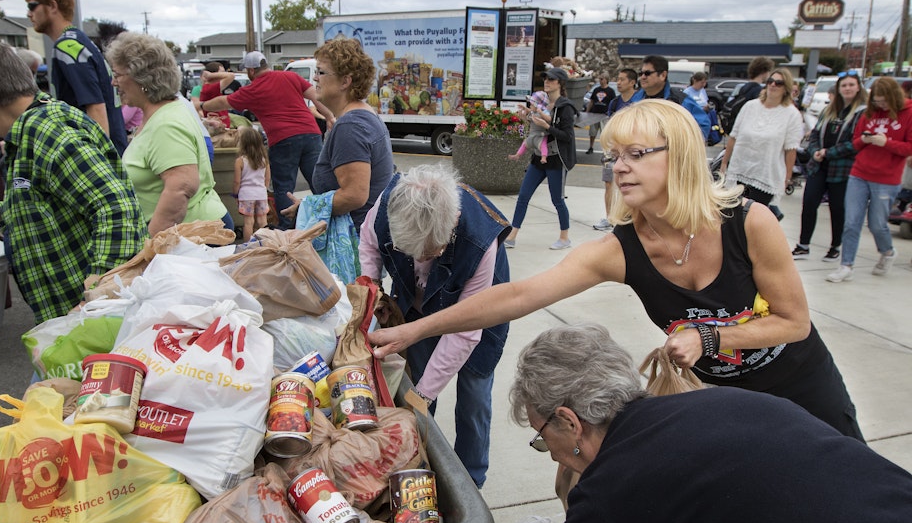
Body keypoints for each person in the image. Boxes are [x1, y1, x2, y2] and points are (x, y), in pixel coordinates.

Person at [370, 100, 864, 440]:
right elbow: (517, 296)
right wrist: (416, 330)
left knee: (847, 483)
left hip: (800, 382)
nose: (619, 167)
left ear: (683, 156)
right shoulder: (618, 249)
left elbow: (793, 323)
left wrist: (707, 339)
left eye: (636, 154)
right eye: (613, 157)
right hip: (721, 397)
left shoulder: (749, 223)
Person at [512, 322, 912, 523]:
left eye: (542, 436)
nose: (550, 451)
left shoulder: (611, 493)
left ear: (569, 421)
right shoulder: (742, 401)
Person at [0, 40, 147, 324]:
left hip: (90, 322)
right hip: (73, 318)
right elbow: (52, 198)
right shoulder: (33, 130)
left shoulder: (47, 130)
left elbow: (117, 208)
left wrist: (97, 293)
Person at [359, 166, 511, 488]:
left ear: (452, 224)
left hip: (478, 316)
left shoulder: (479, 241)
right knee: (419, 382)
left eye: (431, 252)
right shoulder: (386, 208)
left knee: (473, 396)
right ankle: (422, 464)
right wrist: (372, 289)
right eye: (411, 252)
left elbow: (466, 330)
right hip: (417, 309)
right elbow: (370, 244)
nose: (422, 261)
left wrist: (423, 395)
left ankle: (470, 484)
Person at [105, 32, 231, 236]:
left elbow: (180, 187)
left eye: (118, 75)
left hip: (191, 238)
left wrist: (149, 249)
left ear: (142, 78)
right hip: (192, 233)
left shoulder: (165, 123)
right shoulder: (164, 112)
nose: (114, 83)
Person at [201, 51, 335, 229]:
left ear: (250, 71)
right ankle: (328, 222)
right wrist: (329, 117)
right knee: (318, 180)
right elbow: (315, 96)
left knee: (284, 187)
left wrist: (202, 106)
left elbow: (224, 102)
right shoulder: (290, 76)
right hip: (311, 134)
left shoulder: (252, 90)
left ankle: (288, 230)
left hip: (283, 138)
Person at [282, 38, 393, 231]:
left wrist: (309, 207)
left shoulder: (351, 126)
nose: (315, 78)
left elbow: (354, 195)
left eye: (321, 72)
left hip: (352, 244)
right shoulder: (364, 116)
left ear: (345, 81)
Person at [24, 0, 127, 155]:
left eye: (32, 6)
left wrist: (101, 162)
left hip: (100, 158)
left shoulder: (67, 47)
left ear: (53, 6)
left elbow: (95, 107)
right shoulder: (80, 41)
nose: (28, 13)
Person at [827, 75, 912, 282]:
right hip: (859, 173)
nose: (880, 105)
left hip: (887, 178)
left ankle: (888, 251)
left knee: (877, 224)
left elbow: (909, 147)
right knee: (852, 221)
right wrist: (864, 139)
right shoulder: (869, 113)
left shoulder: (908, 113)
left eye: (883, 101)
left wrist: (886, 143)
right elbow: (855, 141)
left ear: (893, 97)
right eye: (876, 100)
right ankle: (846, 265)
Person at [793, 71, 867, 263]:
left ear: (858, 87)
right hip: (819, 166)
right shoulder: (829, 110)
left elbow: (856, 142)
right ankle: (803, 245)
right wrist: (815, 151)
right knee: (809, 202)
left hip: (842, 168)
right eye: (844, 85)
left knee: (837, 207)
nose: (847, 88)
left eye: (851, 85)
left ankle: (835, 246)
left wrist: (828, 153)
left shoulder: (863, 112)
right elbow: (816, 133)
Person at [503, 67, 578, 251]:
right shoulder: (541, 103)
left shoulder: (565, 107)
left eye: (551, 79)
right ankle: (512, 235)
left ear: (559, 83)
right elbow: (536, 130)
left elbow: (567, 136)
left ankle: (564, 237)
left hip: (556, 160)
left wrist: (548, 125)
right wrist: (526, 117)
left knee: (557, 200)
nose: (546, 81)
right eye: (545, 78)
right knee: (523, 196)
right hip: (538, 158)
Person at [720, 67, 804, 208]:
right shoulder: (750, 106)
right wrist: (724, 163)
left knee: (754, 222)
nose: (773, 85)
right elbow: (734, 137)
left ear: (786, 88)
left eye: (779, 83)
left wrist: (787, 178)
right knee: (732, 220)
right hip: (739, 172)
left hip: (766, 177)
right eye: (771, 81)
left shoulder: (792, 115)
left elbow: (791, 150)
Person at [592, 68, 638, 232]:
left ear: (632, 82)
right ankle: (610, 217)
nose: (618, 82)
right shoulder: (615, 102)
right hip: (613, 150)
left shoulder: (639, 102)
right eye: (617, 79)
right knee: (608, 182)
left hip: (632, 151)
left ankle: (630, 217)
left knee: (630, 184)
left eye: (622, 79)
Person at [630, 55, 710, 142]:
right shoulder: (635, 100)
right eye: (641, 73)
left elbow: (703, 126)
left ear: (663, 75)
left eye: (647, 73)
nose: (643, 77)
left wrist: (679, 145)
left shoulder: (680, 101)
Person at [232, 127, 272, 241]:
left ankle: (248, 246)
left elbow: (237, 181)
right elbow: (267, 179)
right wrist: (263, 189)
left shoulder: (240, 161)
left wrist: (235, 194)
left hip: (246, 194)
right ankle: (267, 243)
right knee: (262, 221)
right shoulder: (264, 160)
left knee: (249, 223)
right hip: (261, 193)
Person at [722, 55, 775, 134]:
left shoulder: (744, 87)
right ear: (764, 71)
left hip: (739, 126)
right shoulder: (758, 90)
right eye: (768, 71)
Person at [508, 91, 554, 164]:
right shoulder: (533, 112)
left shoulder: (545, 112)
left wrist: (541, 113)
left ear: (538, 106)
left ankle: (544, 157)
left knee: (543, 145)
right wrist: (523, 116)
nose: (530, 106)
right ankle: (517, 155)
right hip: (532, 135)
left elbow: (549, 119)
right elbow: (529, 120)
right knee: (524, 143)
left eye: (531, 104)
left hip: (540, 135)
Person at [198, 61, 241, 128]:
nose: (224, 74)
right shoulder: (210, 87)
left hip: (221, 126)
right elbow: (231, 76)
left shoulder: (211, 87)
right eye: (222, 72)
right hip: (217, 128)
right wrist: (210, 75)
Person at [584, 74, 615, 154]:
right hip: (594, 114)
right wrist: (587, 111)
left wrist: (611, 113)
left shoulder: (611, 91)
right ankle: (591, 147)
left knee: (604, 133)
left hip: (604, 115)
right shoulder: (596, 90)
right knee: (592, 132)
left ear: (606, 80)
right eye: (600, 79)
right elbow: (591, 101)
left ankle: (605, 149)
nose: (600, 80)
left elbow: (613, 103)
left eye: (602, 79)